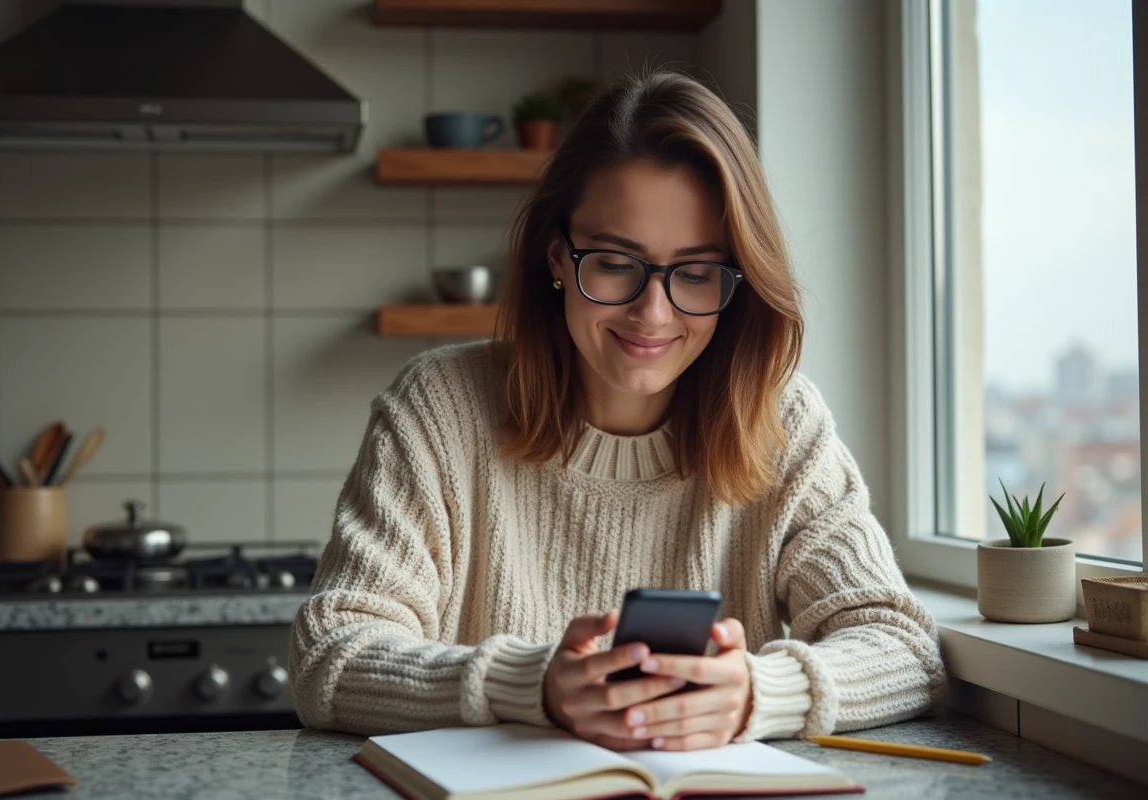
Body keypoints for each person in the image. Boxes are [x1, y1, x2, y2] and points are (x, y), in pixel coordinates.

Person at [289, 69, 946, 752]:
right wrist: (534, 684)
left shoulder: (781, 421)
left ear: (737, 284)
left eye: (695, 272)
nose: (652, 314)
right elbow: (329, 656)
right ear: (556, 258)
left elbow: (904, 649)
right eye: (614, 262)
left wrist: (759, 693)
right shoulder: (438, 408)